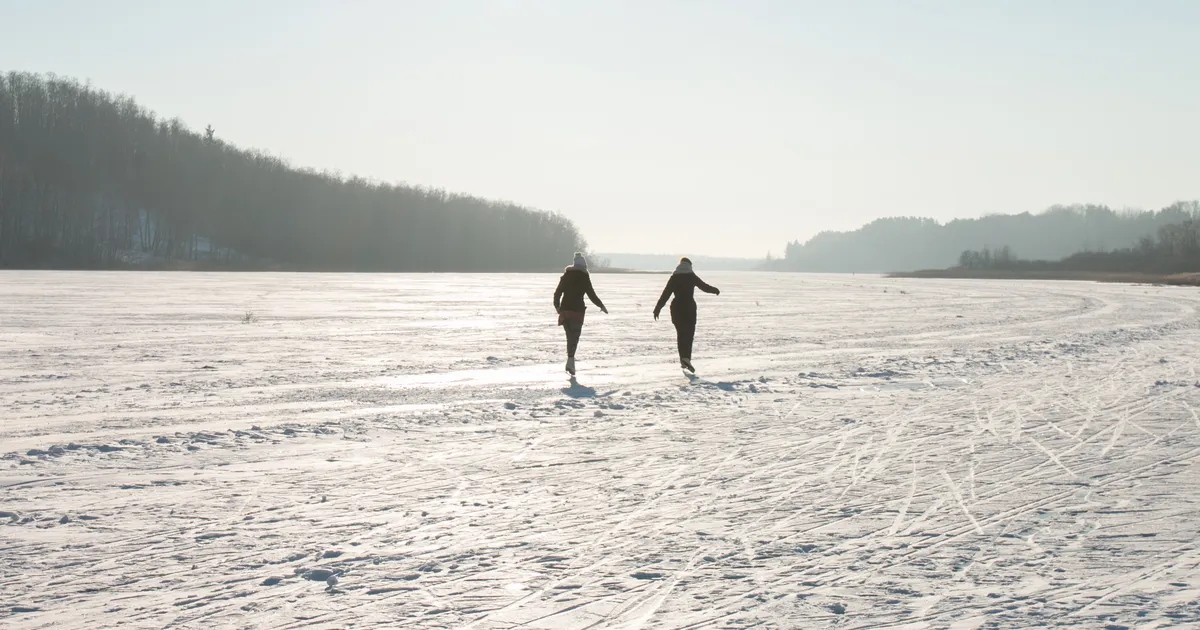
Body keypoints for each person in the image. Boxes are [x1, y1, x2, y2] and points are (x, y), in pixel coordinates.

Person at [653, 256, 719, 373]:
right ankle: (686, 358)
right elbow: (704, 287)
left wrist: (657, 308)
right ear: (689, 265)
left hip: (676, 308)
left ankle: (683, 359)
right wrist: (715, 290)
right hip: (689, 308)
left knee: (681, 334)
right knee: (689, 334)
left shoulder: (674, 277)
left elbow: (666, 294)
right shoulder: (691, 276)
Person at [554, 252, 607, 375]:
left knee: (569, 336)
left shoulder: (566, 275)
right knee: (575, 337)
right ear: (583, 265)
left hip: (565, 310)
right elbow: (591, 294)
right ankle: (570, 362)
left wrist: (557, 306)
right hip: (577, 311)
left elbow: (557, 293)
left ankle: (570, 362)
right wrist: (601, 305)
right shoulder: (584, 277)